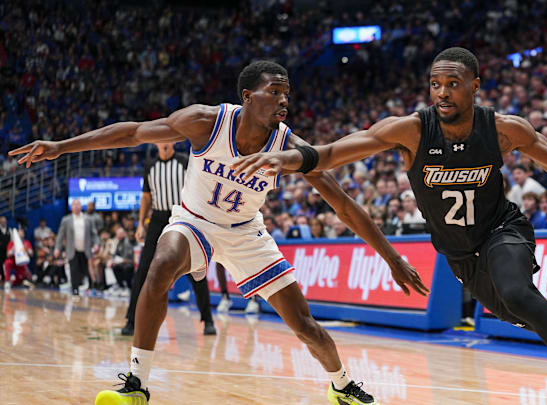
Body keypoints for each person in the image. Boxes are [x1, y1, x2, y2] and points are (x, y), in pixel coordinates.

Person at [232, 47, 547, 405]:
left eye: (453, 84)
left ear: (475, 86)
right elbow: (333, 153)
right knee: (518, 312)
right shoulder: (412, 131)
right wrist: (288, 159)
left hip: (501, 230)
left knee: (518, 293)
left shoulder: (504, 129)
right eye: (436, 84)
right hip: (459, 253)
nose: (442, 92)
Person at [11, 60, 427, 405]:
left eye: (287, 92)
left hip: (246, 232)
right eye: (274, 91)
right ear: (248, 96)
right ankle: (136, 384)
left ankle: (341, 384)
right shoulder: (206, 122)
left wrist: (392, 258)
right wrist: (62, 146)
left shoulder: (290, 146)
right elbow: (133, 132)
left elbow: (343, 204)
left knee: (304, 324)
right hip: (193, 220)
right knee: (159, 268)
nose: (284, 99)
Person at [122, 141, 217, 337]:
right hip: (157, 218)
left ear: (173, 141)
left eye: (167, 139)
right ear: (155, 143)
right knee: (144, 270)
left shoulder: (184, 162)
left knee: (195, 267)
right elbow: (146, 197)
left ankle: (208, 320)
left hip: (181, 217)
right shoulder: (150, 165)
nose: (164, 143)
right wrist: (141, 223)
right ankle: (131, 320)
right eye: (160, 140)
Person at [55, 200, 100, 295]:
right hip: (72, 250)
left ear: (81, 206)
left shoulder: (88, 219)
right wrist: (57, 248)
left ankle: (88, 287)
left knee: (84, 270)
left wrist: (96, 244)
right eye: (74, 205)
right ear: (71, 207)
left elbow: (94, 234)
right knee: (74, 269)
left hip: (85, 249)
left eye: (78, 204)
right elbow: (60, 235)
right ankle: (75, 290)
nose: (76, 207)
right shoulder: (66, 220)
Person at [0, 216, 10, 283]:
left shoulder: (9, 230)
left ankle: (7, 277)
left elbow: (11, 240)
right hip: (0, 250)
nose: (3, 222)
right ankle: (2, 277)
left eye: (4, 221)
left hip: (7, 250)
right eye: (2, 221)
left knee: (7, 263)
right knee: (0, 264)